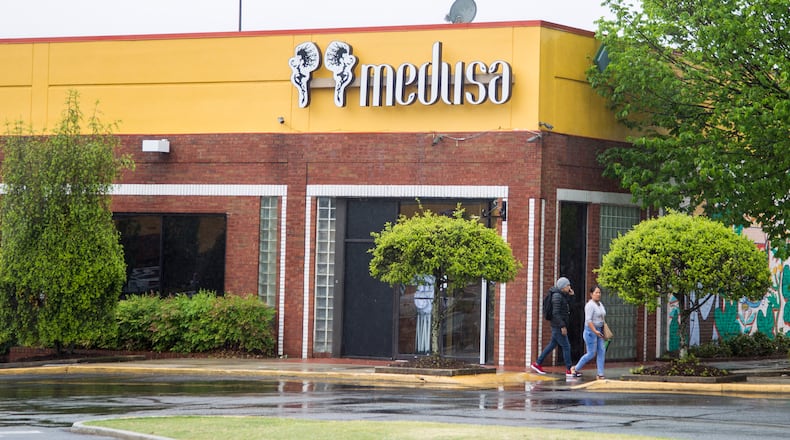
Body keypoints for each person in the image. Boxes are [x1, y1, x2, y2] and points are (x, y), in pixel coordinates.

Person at [531, 277, 575, 377]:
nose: (569, 287)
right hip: (557, 326)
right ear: (563, 286)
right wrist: (562, 326)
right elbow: (556, 313)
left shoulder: (562, 295)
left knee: (552, 345)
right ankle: (569, 369)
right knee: (566, 346)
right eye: (568, 285)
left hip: (558, 325)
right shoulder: (557, 296)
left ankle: (537, 363)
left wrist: (571, 296)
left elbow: (569, 307)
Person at [570, 285, 607, 380]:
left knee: (602, 351)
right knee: (591, 353)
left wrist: (603, 330)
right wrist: (595, 331)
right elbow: (588, 320)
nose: (598, 294)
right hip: (591, 331)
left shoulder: (600, 304)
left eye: (599, 292)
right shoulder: (590, 305)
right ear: (591, 294)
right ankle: (575, 368)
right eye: (596, 292)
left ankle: (600, 374)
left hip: (599, 330)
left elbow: (602, 317)